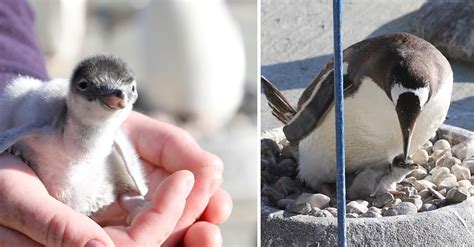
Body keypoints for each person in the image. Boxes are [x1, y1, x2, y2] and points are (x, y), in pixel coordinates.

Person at [0, 0, 232, 246]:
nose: (118, 99)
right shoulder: (45, 121)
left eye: (127, 93)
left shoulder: (109, 130)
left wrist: (134, 195)